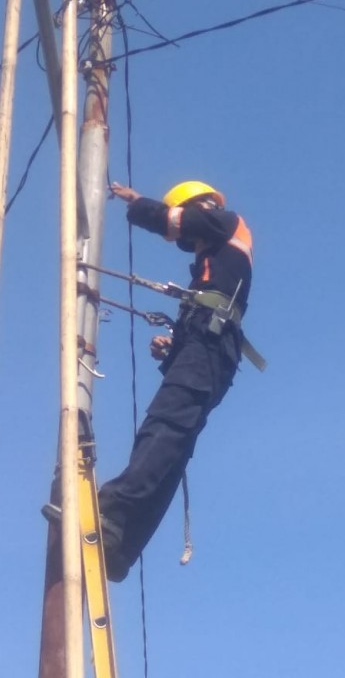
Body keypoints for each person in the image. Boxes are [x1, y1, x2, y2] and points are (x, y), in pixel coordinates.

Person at [98, 179, 254, 582]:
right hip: (209, 351)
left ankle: (108, 512)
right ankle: (120, 545)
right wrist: (173, 348)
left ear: (202, 206)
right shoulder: (216, 266)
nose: (188, 242)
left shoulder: (226, 221)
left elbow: (176, 219)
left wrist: (137, 203)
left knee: (164, 430)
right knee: (172, 449)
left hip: (208, 350)